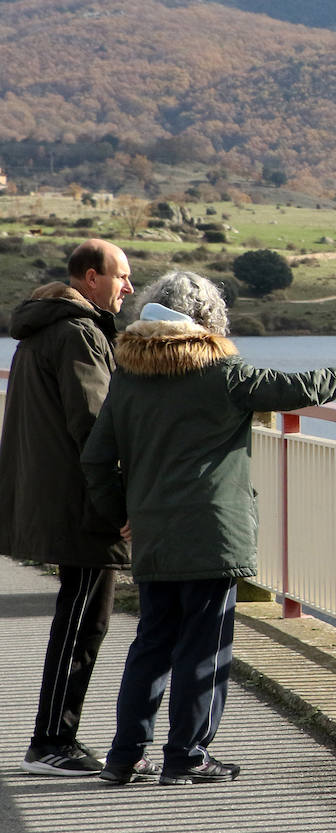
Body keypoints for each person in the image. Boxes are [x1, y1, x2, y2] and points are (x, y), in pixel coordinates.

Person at [81, 270, 336, 785]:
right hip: (211, 532)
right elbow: (298, 388)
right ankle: (187, 756)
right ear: (208, 319)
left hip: (154, 534)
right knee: (203, 647)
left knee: (152, 643)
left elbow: (96, 459)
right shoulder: (223, 372)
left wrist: (122, 511)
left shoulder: (129, 376)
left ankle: (124, 756)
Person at [0, 239, 134, 776]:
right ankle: (51, 742)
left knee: (82, 619)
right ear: (89, 276)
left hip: (58, 496)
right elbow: (96, 427)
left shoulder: (45, 330)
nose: (127, 286)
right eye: (120, 276)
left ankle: (57, 736)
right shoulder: (78, 332)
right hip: (80, 503)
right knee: (81, 622)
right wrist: (123, 502)